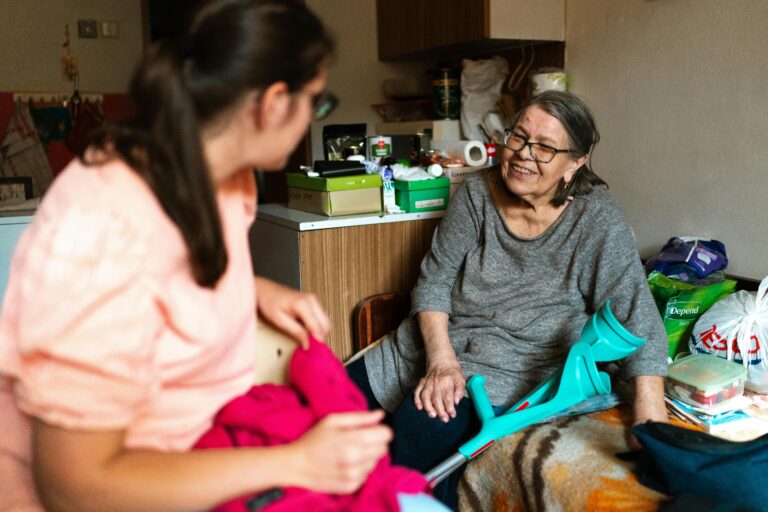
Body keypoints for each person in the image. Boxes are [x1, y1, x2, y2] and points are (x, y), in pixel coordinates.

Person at [0, 2, 403, 511]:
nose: (314, 118)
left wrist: (255, 290)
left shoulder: (223, 177)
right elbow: (75, 487)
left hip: (204, 444)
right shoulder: (102, 234)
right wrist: (298, 462)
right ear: (274, 102)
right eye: (317, 103)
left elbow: (176, 276)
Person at [347, 90, 669, 509]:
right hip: (438, 340)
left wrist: (649, 408)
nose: (522, 154)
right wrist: (442, 361)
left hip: (514, 358)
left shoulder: (597, 218)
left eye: (544, 148)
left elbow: (634, 310)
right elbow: (434, 280)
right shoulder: (477, 194)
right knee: (318, 407)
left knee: (423, 423)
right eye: (518, 137)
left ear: (575, 163)